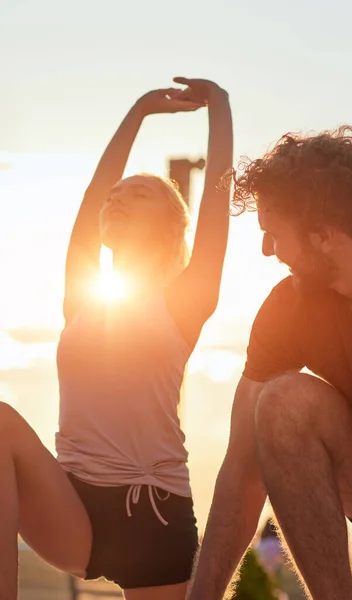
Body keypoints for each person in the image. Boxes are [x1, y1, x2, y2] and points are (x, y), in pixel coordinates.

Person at [0, 77, 232, 600]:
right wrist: (139, 112)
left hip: (153, 514)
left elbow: (220, 195)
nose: (118, 199)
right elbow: (93, 191)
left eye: (140, 193)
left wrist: (220, 103)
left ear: (172, 223)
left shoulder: (185, 300)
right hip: (72, 504)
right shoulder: (84, 299)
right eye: (116, 197)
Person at [186, 126, 352, 600]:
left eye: (272, 234)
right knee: (282, 400)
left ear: (323, 236)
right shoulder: (290, 308)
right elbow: (241, 466)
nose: (268, 251)